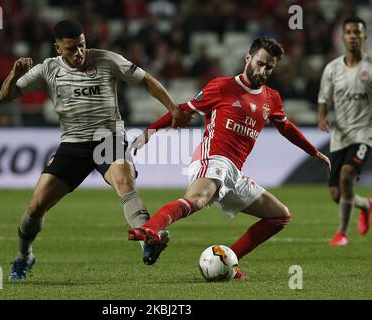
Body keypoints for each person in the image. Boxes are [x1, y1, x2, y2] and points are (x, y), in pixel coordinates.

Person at [0, 19, 192, 280]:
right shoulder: (47, 70)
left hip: (109, 139)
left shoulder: (106, 60)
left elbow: (147, 80)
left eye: (81, 46)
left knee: (126, 183)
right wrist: (14, 74)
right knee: (35, 207)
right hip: (73, 145)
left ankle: (147, 240)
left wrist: (173, 109)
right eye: (71, 49)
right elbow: (6, 95)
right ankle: (23, 257)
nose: (78, 53)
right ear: (58, 49)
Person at [128, 37, 331, 278]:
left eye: (269, 67)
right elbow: (182, 111)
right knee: (197, 200)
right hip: (212, 159)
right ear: (248, 58)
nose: (263, 70)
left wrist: (315, 152)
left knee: (280, 216)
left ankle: (228, 261)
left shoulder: (271, 97)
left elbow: (285, 127)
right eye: (260, 63)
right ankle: (150, 230)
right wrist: (148, 133)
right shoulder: (222, 87)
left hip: (234, 173)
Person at [317, 16, 372, 246]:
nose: (353, 37)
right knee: (337, 195)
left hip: (364, 134)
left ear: (365, 37)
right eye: (349, 32)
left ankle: (341, 234)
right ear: (342, 38)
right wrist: (321, 117)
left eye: (357, 32)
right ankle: (366, 205)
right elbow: (323, 98)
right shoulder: (332, 69)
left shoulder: (369, 68)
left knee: (347, 175)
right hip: (340, 136)